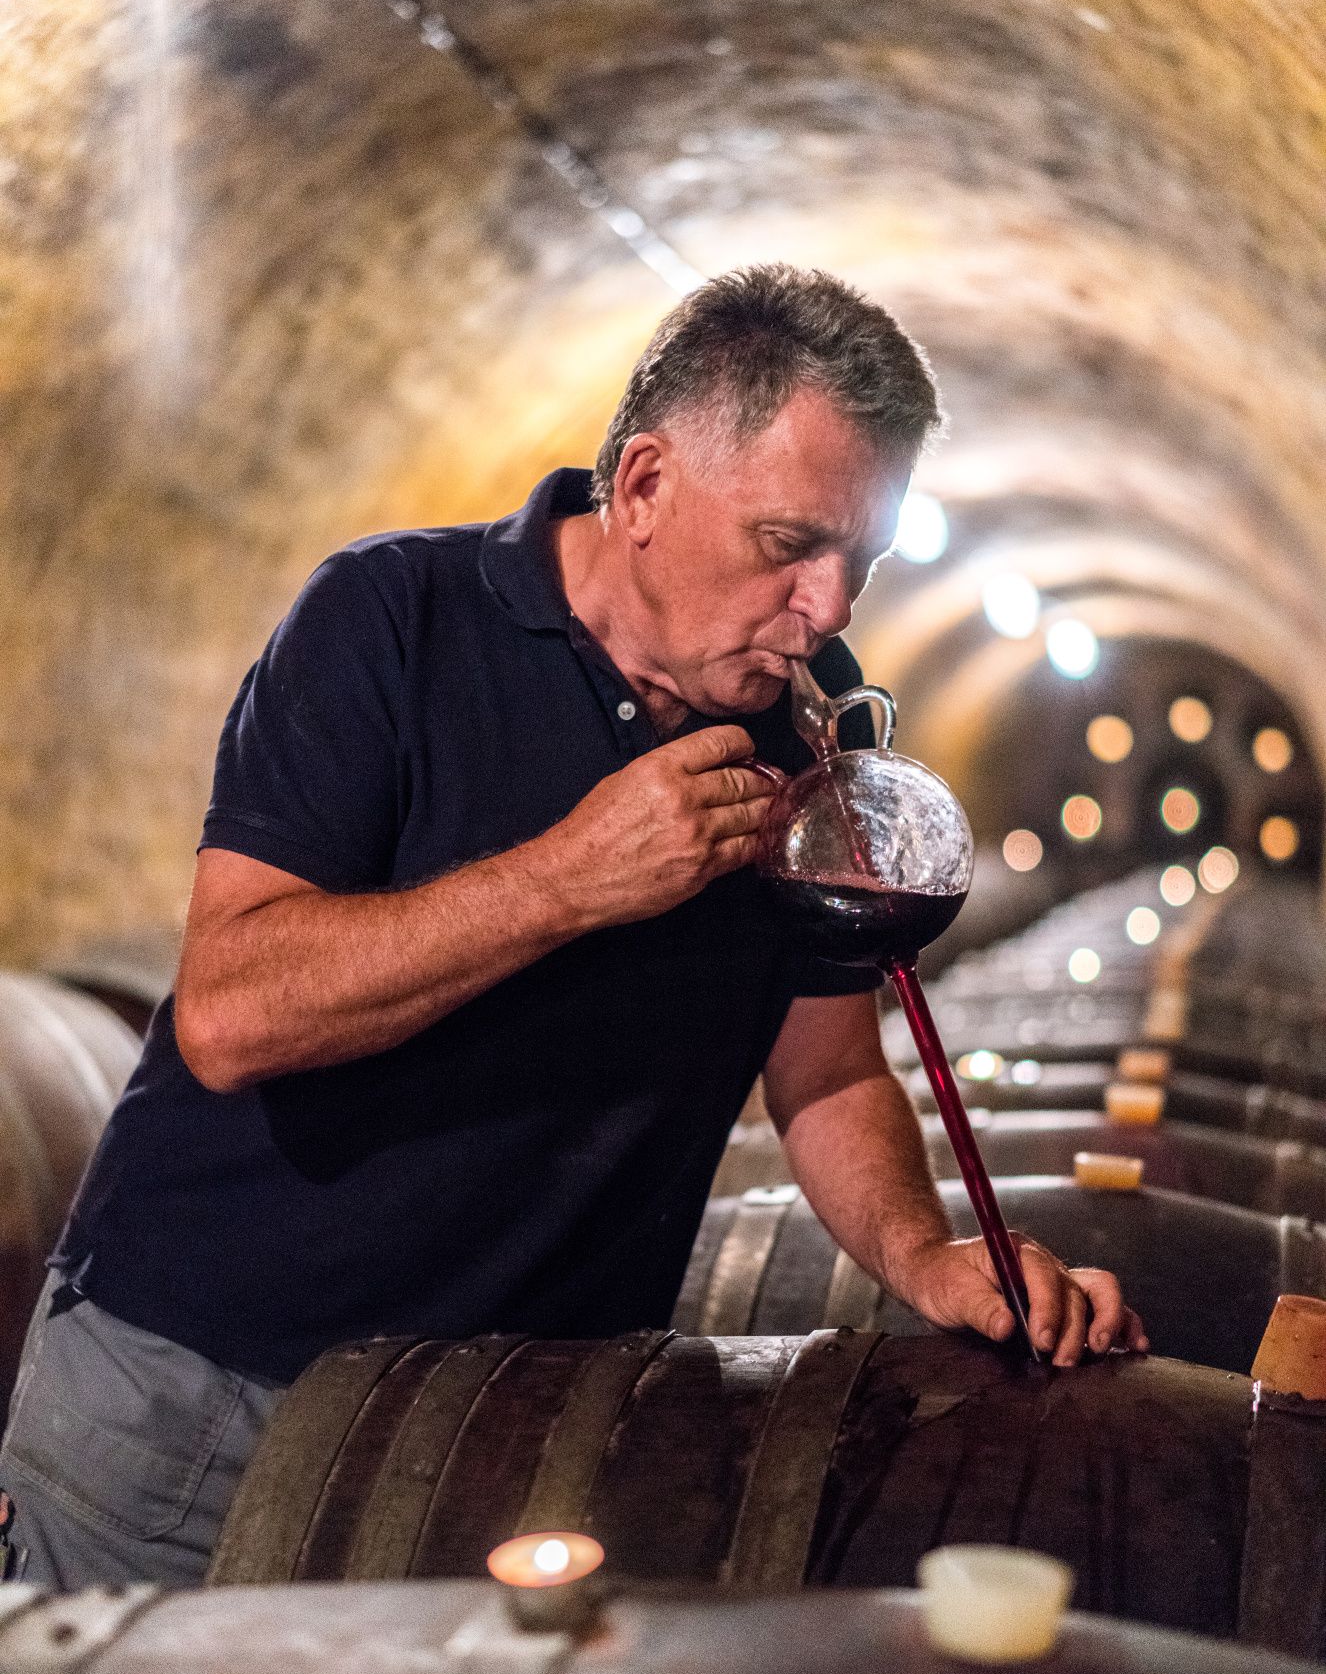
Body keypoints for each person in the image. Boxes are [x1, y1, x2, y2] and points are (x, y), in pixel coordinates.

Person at [0, 264, 1147, 1590]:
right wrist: (563, 879)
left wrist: (922, 1254)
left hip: (502, 1436)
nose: (830, 608)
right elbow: (230, 1015)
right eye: (789, 546)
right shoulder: (391, 621)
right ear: (646, 487)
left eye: (861, 560)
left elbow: (824, 1068)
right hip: (204, 1407)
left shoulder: (798, 732)